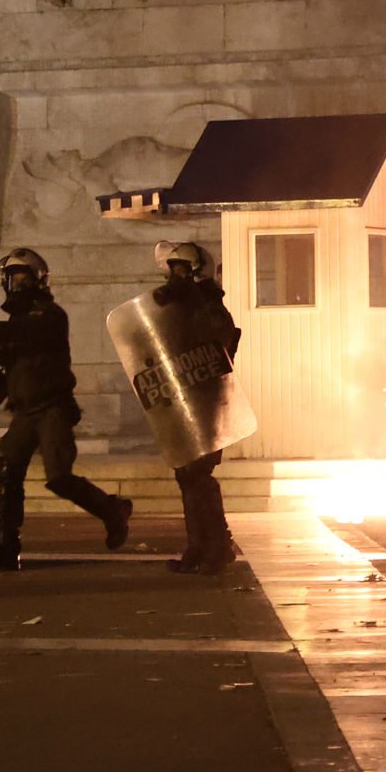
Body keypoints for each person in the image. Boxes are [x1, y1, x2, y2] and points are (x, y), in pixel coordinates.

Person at [0, 246, 130, 571]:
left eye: (24, 278)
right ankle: (7, 546)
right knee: (9, 472)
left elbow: (31, 331)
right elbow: (11, 359)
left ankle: (112, 509)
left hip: (52, 407)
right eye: (13, 279)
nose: (18, 285)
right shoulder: (17, 321)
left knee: (59, 478)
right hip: (25, 411)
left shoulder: (50, 315)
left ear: (39, 280)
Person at [149, 242, 242, 575]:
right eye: (172, 271)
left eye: (182, 271)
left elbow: (212, 348)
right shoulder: (180, 310)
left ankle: (218, 547)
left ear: (197, 273)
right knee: (186, 474)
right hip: (184, 400)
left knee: (199, 474)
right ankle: (199, 547)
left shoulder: (212, 309)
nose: (175, 278)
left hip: (208, 402)